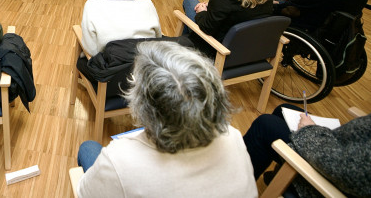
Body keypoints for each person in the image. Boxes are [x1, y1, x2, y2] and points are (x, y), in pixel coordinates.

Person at [77, 41, 257, 198]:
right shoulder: (232, 136)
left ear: (142, 104)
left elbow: (82, 193)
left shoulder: (120, 159)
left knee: (88, 149)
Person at [243, 104, 371, 197]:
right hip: (337, 146)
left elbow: (344, 170)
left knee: (265, 125)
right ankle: (283, 179)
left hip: (328, 172)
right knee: (282, 109)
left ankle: (237, 191)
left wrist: (309, 130)